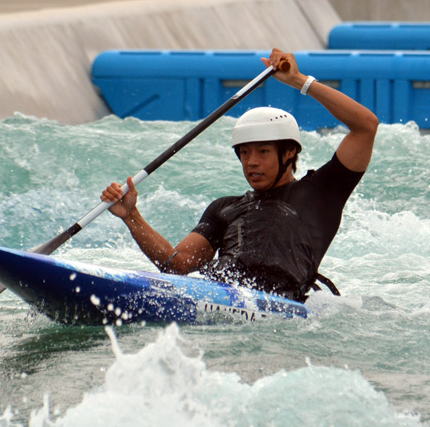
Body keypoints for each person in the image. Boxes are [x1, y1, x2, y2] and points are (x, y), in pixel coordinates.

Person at [100, 48, 379, 303]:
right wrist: (131, 216)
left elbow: (366, 126)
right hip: (220, 296)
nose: (252, 163)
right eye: (244, 153)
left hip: (281, 309)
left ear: (289, 153)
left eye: (263, 152)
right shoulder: (225, 208)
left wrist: (299, 81)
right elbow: (177, 264)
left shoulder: (321, 193)